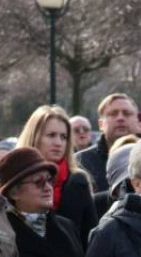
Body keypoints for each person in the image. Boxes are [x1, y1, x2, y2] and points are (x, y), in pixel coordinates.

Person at [16, 105, 98, 248]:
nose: (59, 143)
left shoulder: (77, 181)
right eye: (51, 135)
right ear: (34, 136)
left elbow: (91, 238)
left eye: (64, 137)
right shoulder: (13, 177)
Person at [77, 93, 139, 192]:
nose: (120, 118)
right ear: (101, 124)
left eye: (127, 113)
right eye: (113, 114)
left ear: (137, 121)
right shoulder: (80, 163)